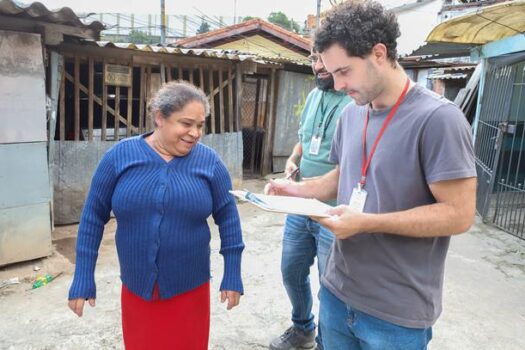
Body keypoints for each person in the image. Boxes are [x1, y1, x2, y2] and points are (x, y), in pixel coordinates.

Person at [265, 1, 477, 349]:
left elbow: (459, 214)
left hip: (396, 312)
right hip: (336, 293)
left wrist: (366, 222)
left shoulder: (439, 119)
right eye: (332, 73)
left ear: (379, 53)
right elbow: (342, 176)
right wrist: (297, 190)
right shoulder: (352, 115)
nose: (336, 83)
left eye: (344, 71)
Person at [67, 81, 244, 349]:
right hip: (138, 290)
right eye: (186, 124)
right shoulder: (120, 157)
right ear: (160, 118)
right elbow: (93, 216)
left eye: (200, 125)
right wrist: (83, 276)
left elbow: (228, 218)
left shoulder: (210, 163)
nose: (195, 133)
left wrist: (232, 273)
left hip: (189, 290)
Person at [270, 49, 351, 350]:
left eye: (323, 60)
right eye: (314, 58)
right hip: (300, 204)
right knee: (291, 269)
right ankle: (302, 327)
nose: (318, 66)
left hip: (333, 210)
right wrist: (293, 160)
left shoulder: (353, 100)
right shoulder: (315, 96)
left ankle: (326, 341)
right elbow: (305, 138)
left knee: (330, 285)